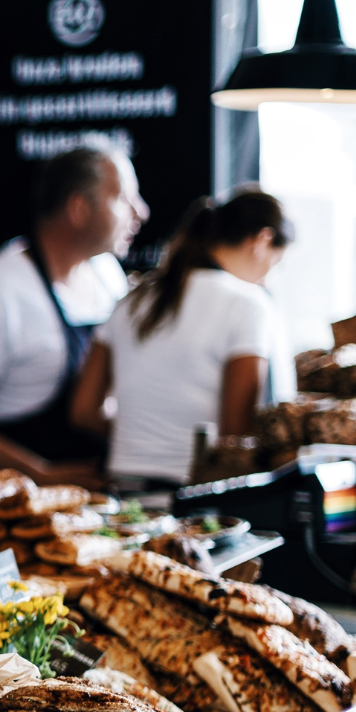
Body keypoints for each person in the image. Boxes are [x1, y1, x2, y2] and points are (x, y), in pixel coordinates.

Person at [0, 146, 149, 488]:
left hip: (97, 498)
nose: (141, 212)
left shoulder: (106, 273)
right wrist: (38, 475)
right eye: (123, 198)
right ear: (78, 208)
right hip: (14, 507)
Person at [70, 188, 296, 487]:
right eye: (276, 264)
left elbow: (84, 412)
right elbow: (236, 435)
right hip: (196, 496)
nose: (270, 277)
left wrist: (143, 435)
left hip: (124, 490)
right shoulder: (249, 304)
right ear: (262, 241)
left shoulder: (132, 299)